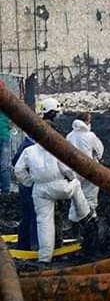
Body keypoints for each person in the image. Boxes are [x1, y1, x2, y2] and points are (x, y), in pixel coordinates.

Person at [14, 138, 92, 263]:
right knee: (76, 186)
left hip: (40, 189)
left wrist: (29, 182)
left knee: (44, 223)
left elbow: (18, 170)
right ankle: (84, 214)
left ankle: (44, 258)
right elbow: (67, 169)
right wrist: (71, 178)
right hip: (60, 185)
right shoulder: (56, 149)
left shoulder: (29, 151)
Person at [14, 97, 61, 251]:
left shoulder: (32, 139)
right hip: (33, 185)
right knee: (36, 216)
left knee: (30, 216)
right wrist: (31, 181)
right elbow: (17, 164)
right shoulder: (30, 145)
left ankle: (25, 245)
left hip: (32, 184)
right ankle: (35, 245)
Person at [66, 112, 104, 220]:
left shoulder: (69, 136)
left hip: (73, 171)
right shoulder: (90, 136)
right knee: (90, 196)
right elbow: (99, 151)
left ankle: (74, 220)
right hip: (89, 169)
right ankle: (90, 219)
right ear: (86, 121)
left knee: (76, 197)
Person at [0, 112, 10, 193]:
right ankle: (6, 192)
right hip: (4, 135)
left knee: (4, 166)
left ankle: (5, 191)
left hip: (4, 136)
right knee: (4, 166)